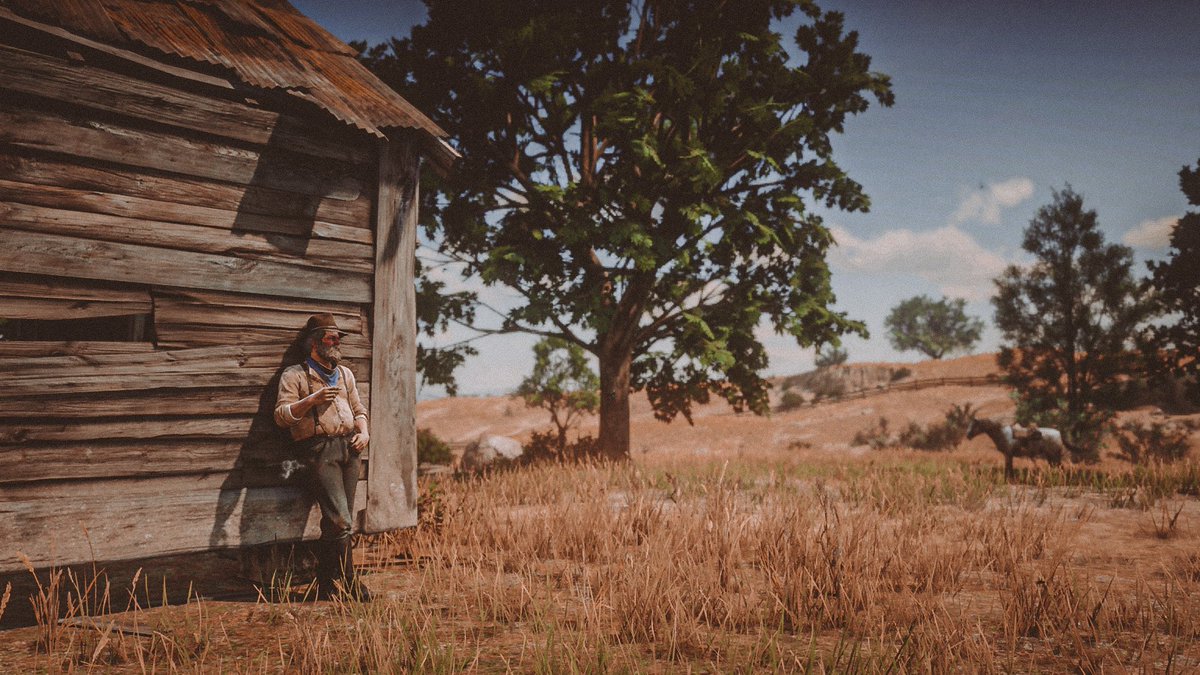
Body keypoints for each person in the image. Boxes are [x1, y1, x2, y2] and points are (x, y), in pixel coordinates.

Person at [274, 312, 371, 601]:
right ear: (315, 343)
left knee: (336, 522)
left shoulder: (345, 374)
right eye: (331, 338)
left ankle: (325, 583)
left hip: (350, 449)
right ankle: (351, 582)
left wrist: (364, 432)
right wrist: (311, 401)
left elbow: (358, 409)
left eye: (338, 337)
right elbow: (281, 416)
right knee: (341, 521)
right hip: (318, 451)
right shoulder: (295, 375)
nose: (337, 342)